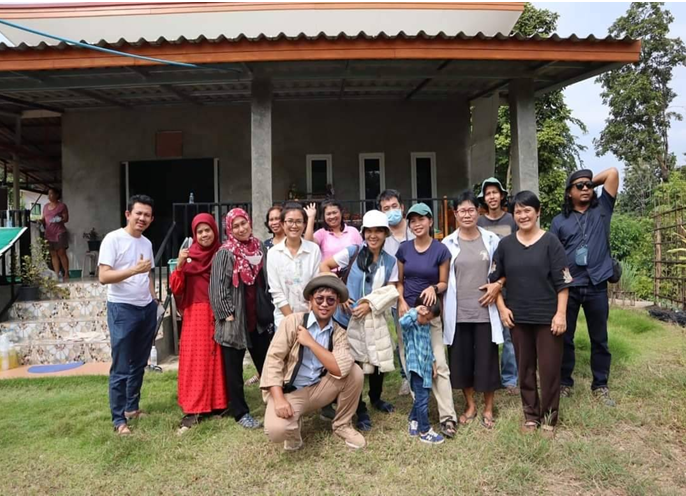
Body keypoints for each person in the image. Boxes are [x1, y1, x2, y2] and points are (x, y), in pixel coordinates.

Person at [490, 191, 572, 437]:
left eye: (528, 210)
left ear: (538, 212)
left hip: (548, 318)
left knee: (549, 370)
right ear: (513, 215)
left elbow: (563, 283)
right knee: (524, 369)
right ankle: (531, 416)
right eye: (518, 211)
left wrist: (561, 314)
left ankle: (549, 418)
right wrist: (502, 309)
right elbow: (493, 281)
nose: (523, 215)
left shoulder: (551, 243)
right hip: (518, 318)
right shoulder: (505, 245)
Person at [261, 274, 366, 451]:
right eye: (319, 299)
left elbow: (340, 369)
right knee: (277, 431)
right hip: (291, 392)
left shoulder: (339, 332)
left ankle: (342, 425)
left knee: (355, 372)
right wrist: (278, 400)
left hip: (319, 389)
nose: (324, 304)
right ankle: (293, 431)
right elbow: (273, 360)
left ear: (337, 303)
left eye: (330, 300)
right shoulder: (292, 322)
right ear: (310, 300)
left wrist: (310, 342)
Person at [320, 209, 399, 431]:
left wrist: (370, 305)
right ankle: (360, 408)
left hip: (373, 320)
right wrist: (341, 292)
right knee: (353, 366)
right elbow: (324, 266)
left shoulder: (390, 262)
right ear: (363, 233)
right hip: (346, 320)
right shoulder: (352, 252)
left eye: (378, 231)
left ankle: (376, 397)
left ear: (385, 233)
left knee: (376, 361)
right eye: (369, 231)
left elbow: (391, 290)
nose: (373, 235)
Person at [550, 167, 620, 407]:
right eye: (579, 186)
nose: (586, 189)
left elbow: (612, 173)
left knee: (599, 338)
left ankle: (600, 385)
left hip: (596, 284)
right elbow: (553, 256)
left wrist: (589, 182)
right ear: (568, 192)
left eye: (589, 185)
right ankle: (564, 383)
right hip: (569, 287)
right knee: (565, 338)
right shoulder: (559, 221)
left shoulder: (602, 209)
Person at [396, 202, 458, 438]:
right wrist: (401, 302)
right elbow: (399, 281)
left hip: (430, 316)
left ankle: (447, 417)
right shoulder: (404, 249)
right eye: (412, 221)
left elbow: (444, 282)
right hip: (408, 317)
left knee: (439, 364)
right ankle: (419, 414)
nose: (417, 224)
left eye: (421, 219)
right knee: (412, 365)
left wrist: (434, 287)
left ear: (430, 221)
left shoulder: (440, 250)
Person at [442, 191, 504, 429]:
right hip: (458, 313)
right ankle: (470, 405)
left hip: (485, 312)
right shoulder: (447, 244)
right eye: (462, 210)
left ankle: (488, 407)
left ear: (478, 212)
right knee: (462, 361)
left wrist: (498, 285)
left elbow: (502, 270)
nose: (466, 215)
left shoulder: (491, 240)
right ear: (455, 213)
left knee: (487, 361)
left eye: (471, 210)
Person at [98, 194, 158, 436]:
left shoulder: (147, 243)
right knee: (121, 366)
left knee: (139, 363)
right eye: (138, 213)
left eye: (147, 215)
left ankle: (132, 408)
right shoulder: (113, 239)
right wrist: (133, 270)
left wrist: (153, 299)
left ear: (151, 219)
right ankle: (118, 419)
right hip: (122, 308)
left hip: (146, 308)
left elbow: (148, 274)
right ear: (128, 214)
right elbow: (103, 276)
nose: (142, 218)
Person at [209, 208, 273, 430]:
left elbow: (266, 279)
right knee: (234, 370)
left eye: (243, 223)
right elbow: (217, 288)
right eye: (235, 226)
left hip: (258, 318)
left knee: (267, 363)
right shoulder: (225, 253)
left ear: (250, 222)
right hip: (234, 320)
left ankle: (274, 402)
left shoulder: (259, 247)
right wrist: (226, 313)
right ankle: (240, 412)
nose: (241, 229)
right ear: (229, 229)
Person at [170, 213, 227, 433]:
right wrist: (179, 265)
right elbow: (176, 288)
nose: (204, 235)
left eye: (207, 230)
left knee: (218, 358)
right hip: (196, 314)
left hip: (219, 310)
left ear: (214, 230)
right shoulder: (188, 257)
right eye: (199, 231)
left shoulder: (222, 253)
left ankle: (218, 404)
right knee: (196, 360)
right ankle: (194, 407)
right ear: (194, 234)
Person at [476, 177, 519, 395]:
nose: (491, 197)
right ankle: (489, 375)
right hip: (485, 284)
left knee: (510, 332)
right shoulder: (478, 222)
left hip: (511, 282)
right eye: (488, 193)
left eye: (495, 192)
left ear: (502, 196)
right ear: (483, 198)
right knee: (487, 333)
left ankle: (510, 378)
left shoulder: (513, 220)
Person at [377, 189, 415, 396]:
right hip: (397, 298)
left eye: (394, 206)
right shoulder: (383, 239)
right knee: (402, 338)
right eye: (386, 208)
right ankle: (407, 377)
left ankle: (429, 372)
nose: (391, 211)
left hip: (420, 293)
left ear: (402, 207)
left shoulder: (415, 229)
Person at [267, 202, 322, 328]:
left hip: (310, 317)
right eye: (290, 221)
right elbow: (276, 291)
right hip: (283, 320)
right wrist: (293, 321)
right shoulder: (273, 253)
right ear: (282, 224)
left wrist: (307, 318)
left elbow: (316, 284)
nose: (294, 225)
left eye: (298, 221)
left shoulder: (313, 250)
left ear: (304, 224)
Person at [399, 303, 444, 444]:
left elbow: (428, 347)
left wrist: (433, 364)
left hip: (426, 367)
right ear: (422, 312)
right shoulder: (410, 325)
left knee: (421, 398)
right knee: (422, 400)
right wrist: (415, 310)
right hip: (415, 368)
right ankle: (425, 431)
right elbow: (402, 322)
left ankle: (413, 419)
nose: (428, 321)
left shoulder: (425, 327)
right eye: (427, 318)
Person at [41, 187, 70, 281]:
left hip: (59, 232)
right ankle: (56, 274)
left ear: (57, 195)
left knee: (61, 252)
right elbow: (43, 218)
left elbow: (66, 218)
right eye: (48, 194)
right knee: (53, 253)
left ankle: (66, 273)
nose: (49, 196)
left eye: (51, 193)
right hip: (49, 233)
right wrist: (39, 221)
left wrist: (59, 219)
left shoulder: (62, 206)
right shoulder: (45, 206)